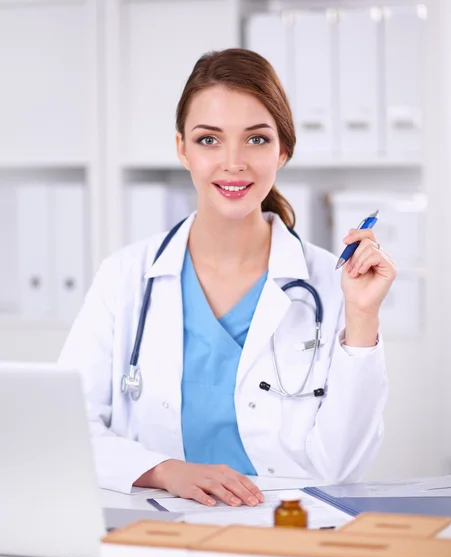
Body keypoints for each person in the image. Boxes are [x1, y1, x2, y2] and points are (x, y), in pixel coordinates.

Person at [59, 49, 397, 507]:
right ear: (182, 148)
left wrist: (361, 317)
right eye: (209, 140)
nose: (233, 162)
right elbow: (65, 425)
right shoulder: (125, 277)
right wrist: (162, 471)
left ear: (283, 150)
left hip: (286, 529)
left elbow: (341, 468)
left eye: (256, 140)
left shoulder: (330, 284)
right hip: (158, 532)